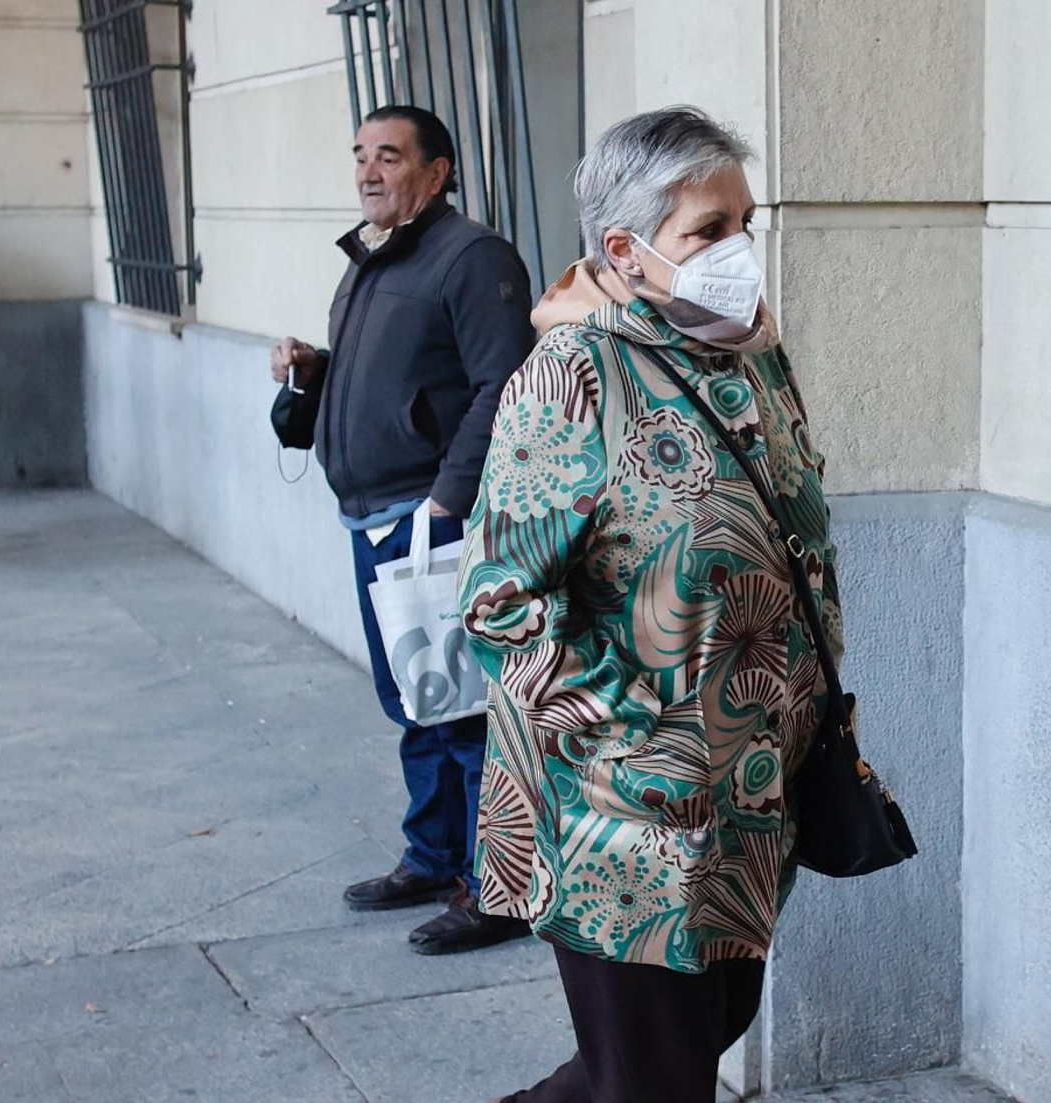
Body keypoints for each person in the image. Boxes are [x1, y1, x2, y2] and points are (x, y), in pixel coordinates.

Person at [458, 106, 844, 1102]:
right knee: (657, 1079)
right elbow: (500, 602)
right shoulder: (571, 374)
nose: (739, 249)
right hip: (625, 816)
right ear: (625, 250)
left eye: (745, 222)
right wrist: (632, 747)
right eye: (708, 230)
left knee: (689, 1039)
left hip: (752, 798)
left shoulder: (752, 357)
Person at [268, 104, 534, 955]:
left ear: (438, 172)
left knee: (462, 710)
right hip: (372, 518)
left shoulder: (473, 256)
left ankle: (499, 888)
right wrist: (317, 369)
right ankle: (433, 856)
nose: (368, 171)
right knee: (417, 704)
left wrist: (448, 502)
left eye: (389, 156)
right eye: (360, 156)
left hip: (430, 519)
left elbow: (503, 383)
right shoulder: (370, 261)